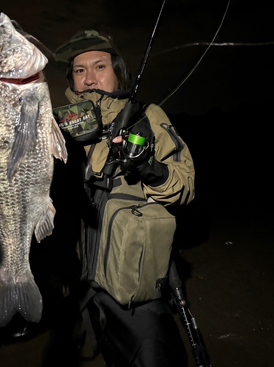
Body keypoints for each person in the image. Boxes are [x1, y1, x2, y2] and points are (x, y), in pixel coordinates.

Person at [53, 29, 195, 367]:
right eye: (79, 70)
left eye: (100, 66)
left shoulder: (148, 116)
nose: (89, 78)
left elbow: (186, 184)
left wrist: (150, 167)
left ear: (118, 71)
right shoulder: (57, 126)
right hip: (75, 280)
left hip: (132, 288)